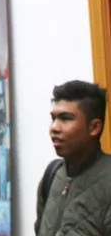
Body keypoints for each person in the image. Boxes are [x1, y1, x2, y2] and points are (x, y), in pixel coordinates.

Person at [35, 80, 111, 235]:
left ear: (94, 127)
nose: (54, 128)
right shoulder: (52, 174)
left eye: (66, 118)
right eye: (53, 118)